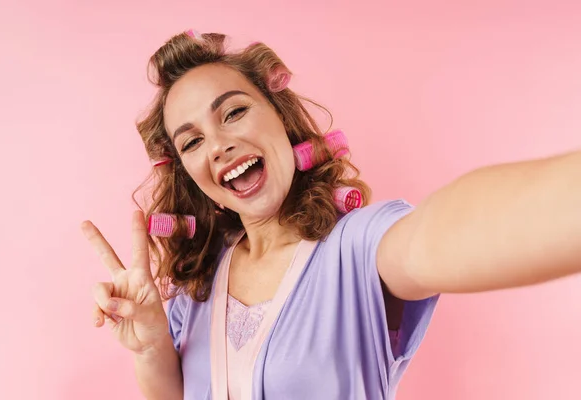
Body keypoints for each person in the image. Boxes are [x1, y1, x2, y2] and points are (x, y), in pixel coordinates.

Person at [81, 30, 581, 400]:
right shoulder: (199, 285)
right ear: (192, 175)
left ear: (282, 117)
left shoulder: (358, 248)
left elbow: (444, 232)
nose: (219, 145)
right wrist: (150, 349)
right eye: (192, 141)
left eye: (233, 112)